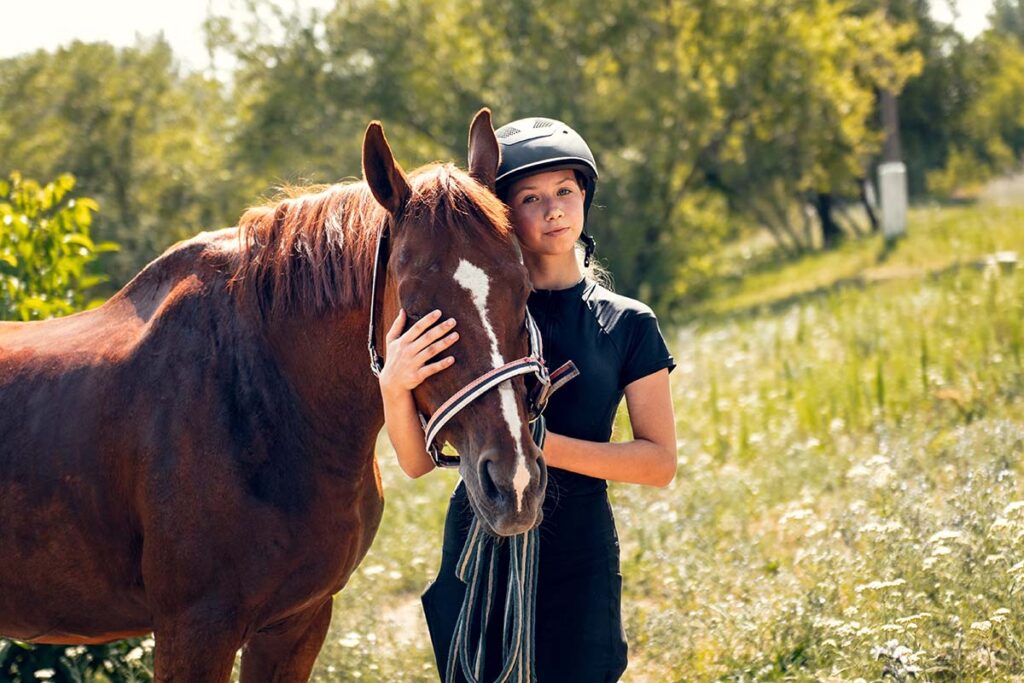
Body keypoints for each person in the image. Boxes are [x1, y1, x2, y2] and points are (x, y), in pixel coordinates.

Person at [378, 117, 677, 682]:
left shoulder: (629, 324)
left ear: (585, 197)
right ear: (505, 213)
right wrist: (394, 386)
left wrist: (536, 445)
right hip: (479, 543)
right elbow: (418, 463)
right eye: (531, 199)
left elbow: (659, 464)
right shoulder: (477, 313)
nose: (554, 210)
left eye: (566, 191)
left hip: (579, 555)